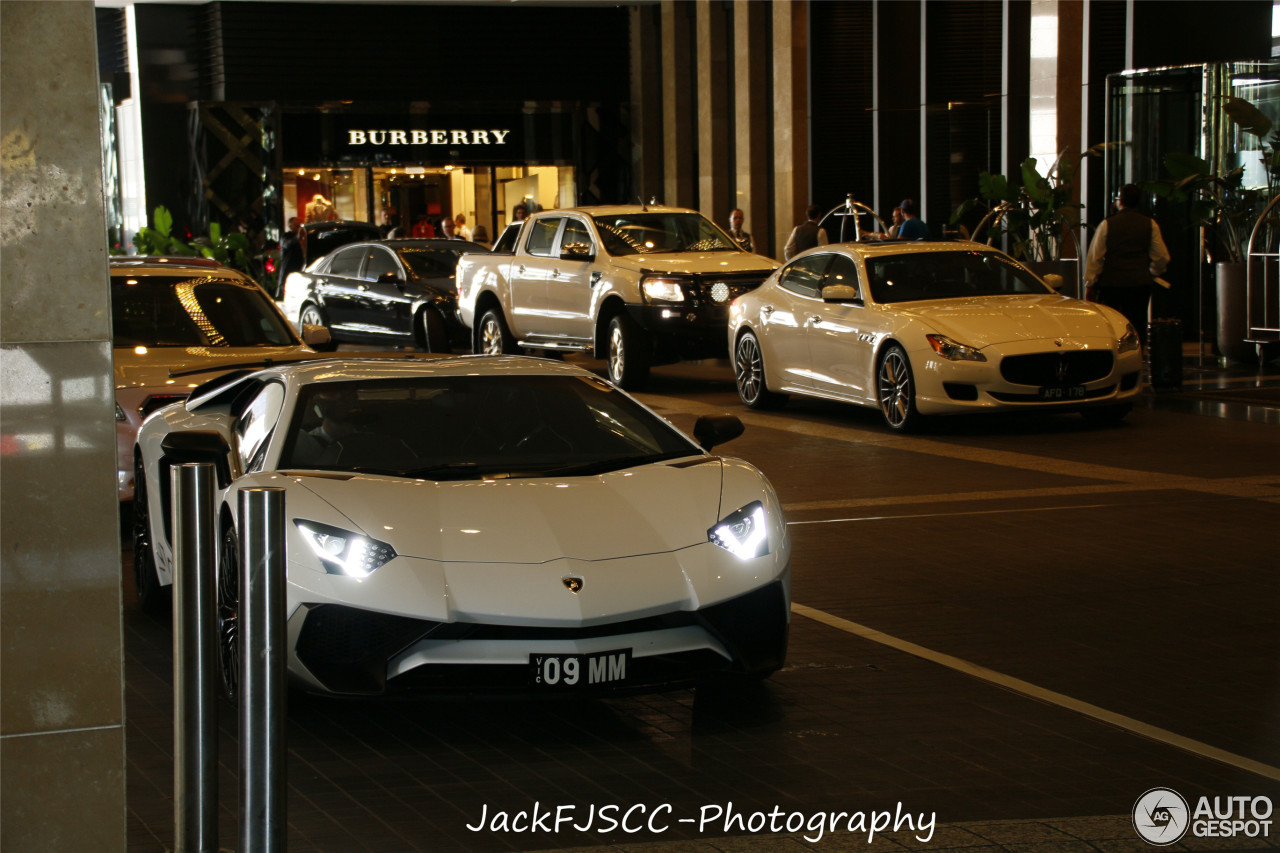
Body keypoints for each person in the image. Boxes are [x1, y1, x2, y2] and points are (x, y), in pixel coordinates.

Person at [1084, 183, 1171, 346]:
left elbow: (1095, 257)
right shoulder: (1150, 224)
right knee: (1137, 323)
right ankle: (1137, 354)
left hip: (1112, 284)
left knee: (1113, 325)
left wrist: (1090, 283)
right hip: (1139, 284)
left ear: (1121, 201)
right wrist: (1152, 272)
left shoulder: (1107, 224)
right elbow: (1161, 256)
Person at [276, 217, 304, 299]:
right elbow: (288, 244)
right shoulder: (286, 236)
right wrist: (298, 237)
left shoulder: (304, 238)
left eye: (300, 226)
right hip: (289, 270)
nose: (299, 228)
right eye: (297, 226)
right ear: (290, 226)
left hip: (300, 270)